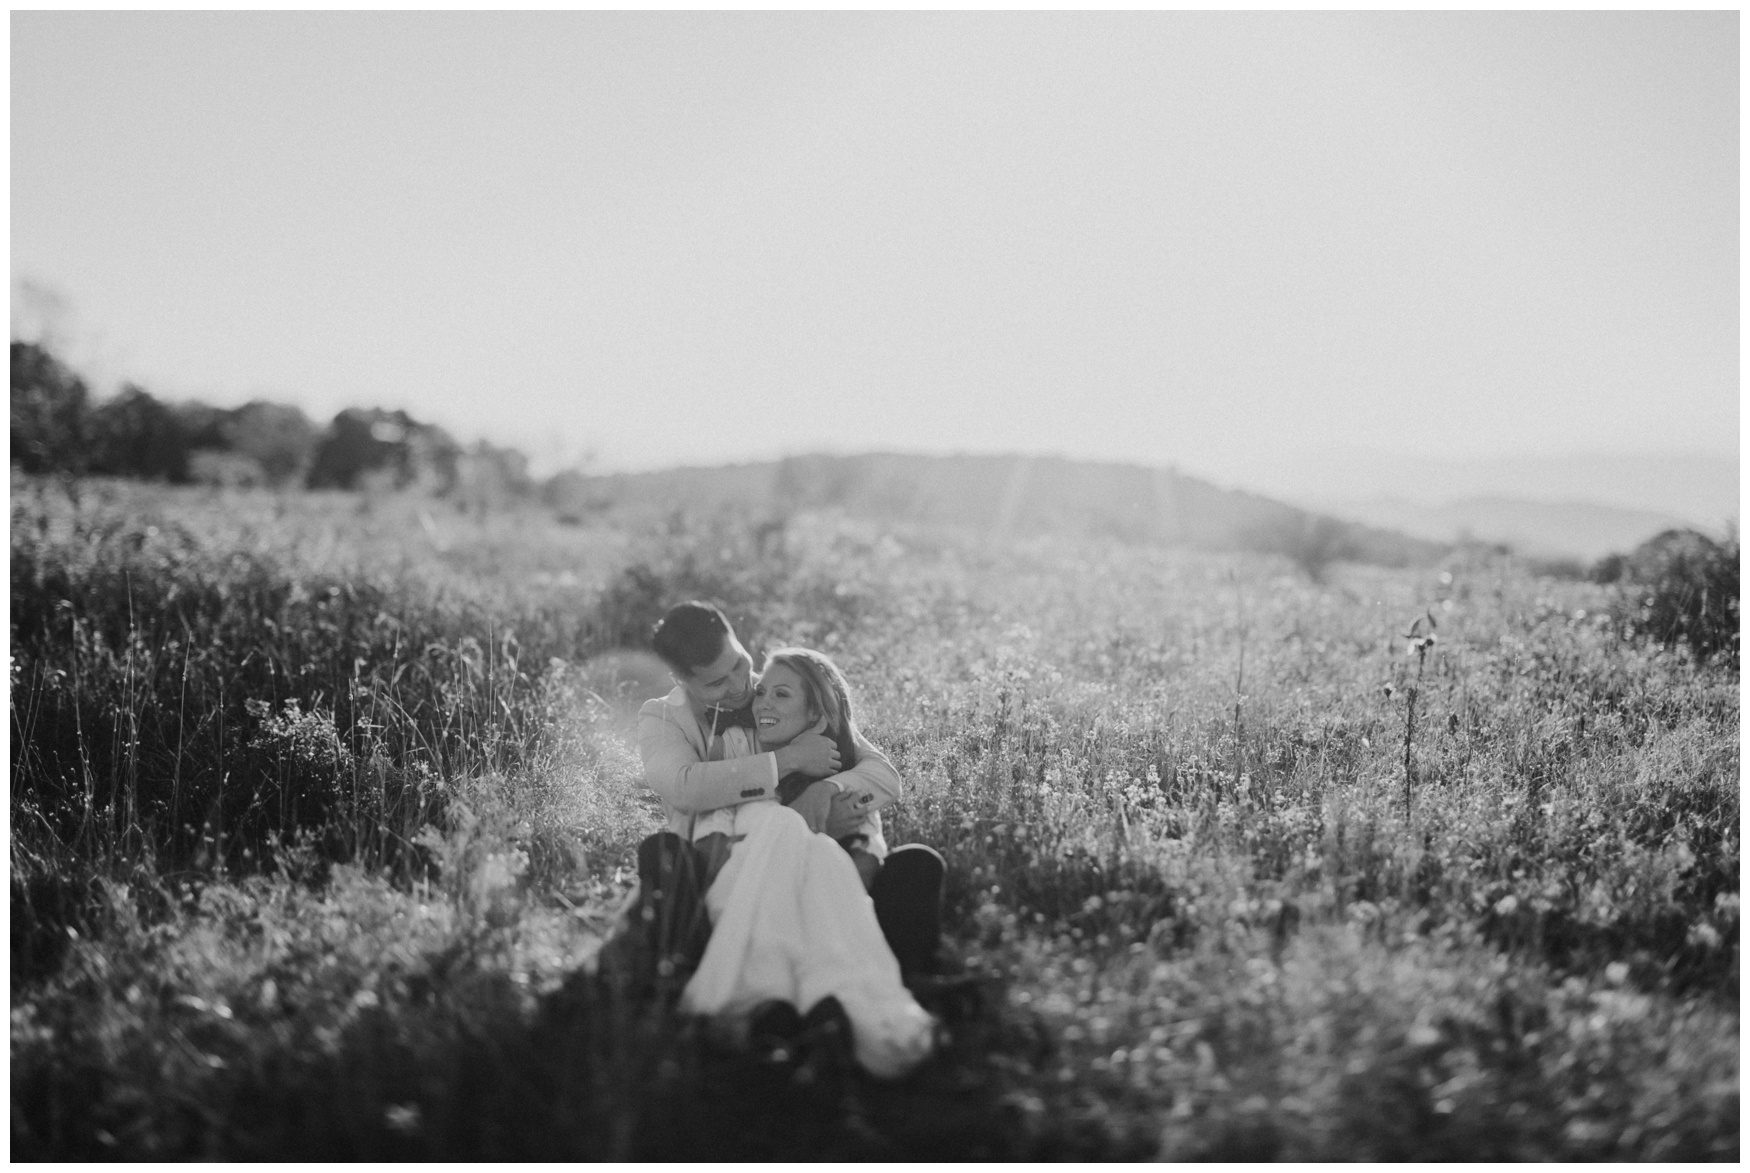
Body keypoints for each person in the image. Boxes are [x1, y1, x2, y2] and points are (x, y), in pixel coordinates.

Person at [632, 602, 946, 984]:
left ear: (739, 642)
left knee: (915, 865)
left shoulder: (781, 688)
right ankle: (688, 970)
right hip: (719, 866)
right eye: (716, 683)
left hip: (829, 860)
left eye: (738, 664)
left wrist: (826, 793)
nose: (740, 688)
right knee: (662, 856)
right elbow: (684, 786)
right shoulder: (662, 718)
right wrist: (788, 763)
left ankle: (902, 978)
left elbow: (875, 768)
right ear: (682, 681)